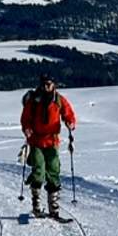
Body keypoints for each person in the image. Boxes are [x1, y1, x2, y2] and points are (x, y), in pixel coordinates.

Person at [19, 73, 76, 222]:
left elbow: (68, 113)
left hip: (52, 141)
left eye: (49, 84)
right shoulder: (34, 100)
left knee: (53, 171)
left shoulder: (59, 100)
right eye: (44, 84)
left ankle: (53, 210)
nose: (46, 86)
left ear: (54, 84)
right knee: (39, 170)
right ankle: (37, 206)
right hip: (36, 140)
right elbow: (25, 118)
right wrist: (27, 129)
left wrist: (70, 122)